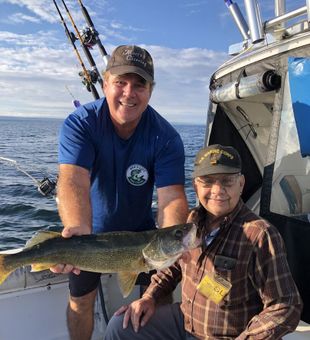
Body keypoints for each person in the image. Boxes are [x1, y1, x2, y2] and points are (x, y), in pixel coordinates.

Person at [51, 45, 189, 340]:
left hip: (141, 236)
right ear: (105, 83)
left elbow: (172, 197)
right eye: (121, 82)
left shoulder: (165, 137)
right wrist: (77, 230)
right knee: (80, 301)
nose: (129, 93)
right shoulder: (82, 123)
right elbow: (73, 180)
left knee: (158, 297)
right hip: (88, 236)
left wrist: (174, 239)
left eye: (140, 85)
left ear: (151, 90)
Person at [105, 144, 303, 340]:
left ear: (241, 184)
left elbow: (286, 305)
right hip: (185, 321)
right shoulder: (191, 221)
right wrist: (150, 297)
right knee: (120, 325)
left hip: (230, 335)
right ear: (195, 185)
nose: (218, 190)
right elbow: (172, 267)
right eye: (207, 182)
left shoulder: (260, 234)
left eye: (227, 181)